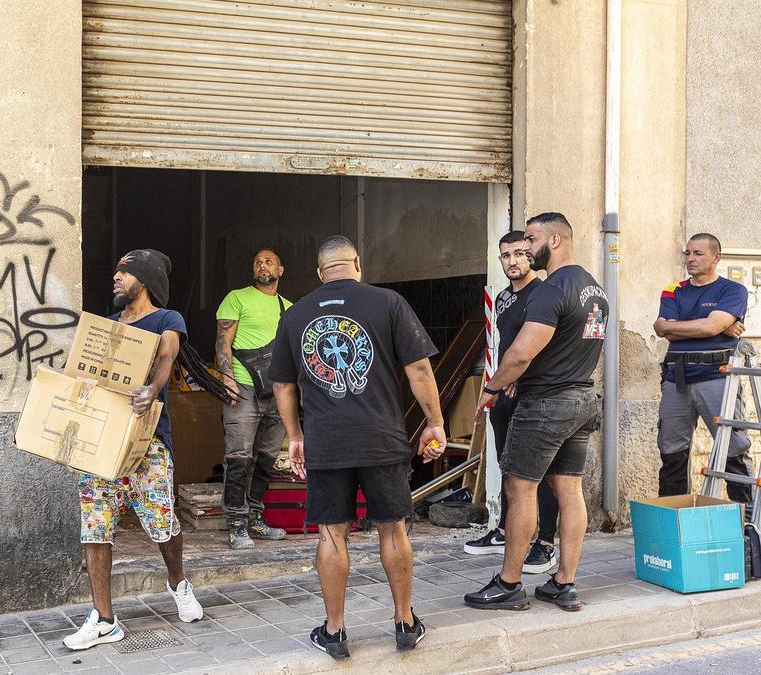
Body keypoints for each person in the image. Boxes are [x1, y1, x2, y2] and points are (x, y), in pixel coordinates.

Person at [269, 236, 445, 658]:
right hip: (382, 438)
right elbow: (419, 367)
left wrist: (295, 435)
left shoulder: (295, 314)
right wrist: (434, 422)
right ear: (358, 265)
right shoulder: (388, 303)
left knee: (332, 533)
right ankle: (404, 622)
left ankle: (335, 631)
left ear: (319, 273)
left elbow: (282, 385)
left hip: (327, 443)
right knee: (392, 528)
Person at [465, 212, 608, 613]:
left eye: (530, 239)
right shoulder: (596, 290)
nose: (526, 248)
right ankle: (564, 582)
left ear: (556, 240)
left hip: (546, 403)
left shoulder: (551, 289)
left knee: (520, 488)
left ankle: (510, 583)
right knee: (569, 490)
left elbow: (523, 352)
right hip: (582, 398)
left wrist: (490, 389)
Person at [65, 249, 204, 651]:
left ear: (143, 281)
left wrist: (152, 389)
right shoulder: (106, 328)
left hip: (148, 441)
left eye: (123, 274)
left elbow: (167, 354)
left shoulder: (166, 319)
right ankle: (104, 618)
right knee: (95, 527)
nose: (115, 279)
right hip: (101, 443)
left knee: (162, 522)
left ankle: (177, 581)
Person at [464, 230, 561, 574]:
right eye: (506, 256)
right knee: (509, 468)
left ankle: (546, 542)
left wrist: (520, 377)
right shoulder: (503, 298)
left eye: (520, 253)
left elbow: (544, 346)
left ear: (531, 255)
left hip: (533, 396)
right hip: (503, 394)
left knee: (543, 473)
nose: (512, 261)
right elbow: (505, 347)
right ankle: (506, 531)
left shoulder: (543, 295)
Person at [653, 233, 752, 502]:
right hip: (676, 379)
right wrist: (714, 325)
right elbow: (662, 328)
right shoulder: (673, 290)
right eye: (687, 253)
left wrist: (682, 326)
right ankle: (673, 521)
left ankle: (745, 525)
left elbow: (703, 326)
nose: (691, 259)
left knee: (733, 450)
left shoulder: (733, 290)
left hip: (716, 378)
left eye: (698, 253)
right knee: (671, 452)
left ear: (716, 257)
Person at [215, 248, 291, 549]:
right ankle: (236, 523)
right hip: (244, 387)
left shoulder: (290, 308)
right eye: (258, 261)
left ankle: (255, 518)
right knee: (239, 458)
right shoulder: (237, 298)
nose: (263, 265)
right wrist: (227, 379)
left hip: (278, 392)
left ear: (280, 270)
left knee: (267, 459)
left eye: (269, 260)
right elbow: (223, 341)